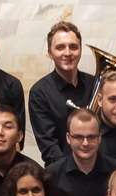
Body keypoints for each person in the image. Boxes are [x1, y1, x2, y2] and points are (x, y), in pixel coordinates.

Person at [28, 21, 94, 165]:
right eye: (60, 47)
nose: (68, 53)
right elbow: (49, 146)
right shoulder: (39, 92)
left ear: (80, 50)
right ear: (50, 53)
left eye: (73, 47)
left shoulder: (95, 84)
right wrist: (72, 171)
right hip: (60, 172)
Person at [44, 108, 116, 196]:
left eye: (91, 137)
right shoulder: (51, 175)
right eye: (78, 137)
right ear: (68, 138)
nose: (85, 143)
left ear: (99, 138)